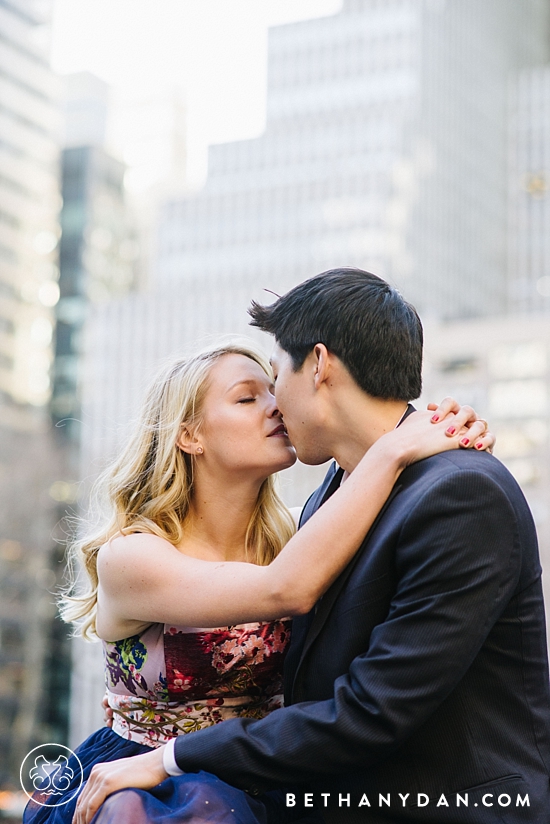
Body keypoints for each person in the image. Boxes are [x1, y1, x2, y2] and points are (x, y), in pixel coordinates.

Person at [74, 269, 550, 824]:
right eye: (249, 396)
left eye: (274, 380)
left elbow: (371, 709)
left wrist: (176, 754)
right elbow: (292, 602)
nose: (275, 404)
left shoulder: (458, 492)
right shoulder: (329, 501)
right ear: (189, 435)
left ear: (320, 365)